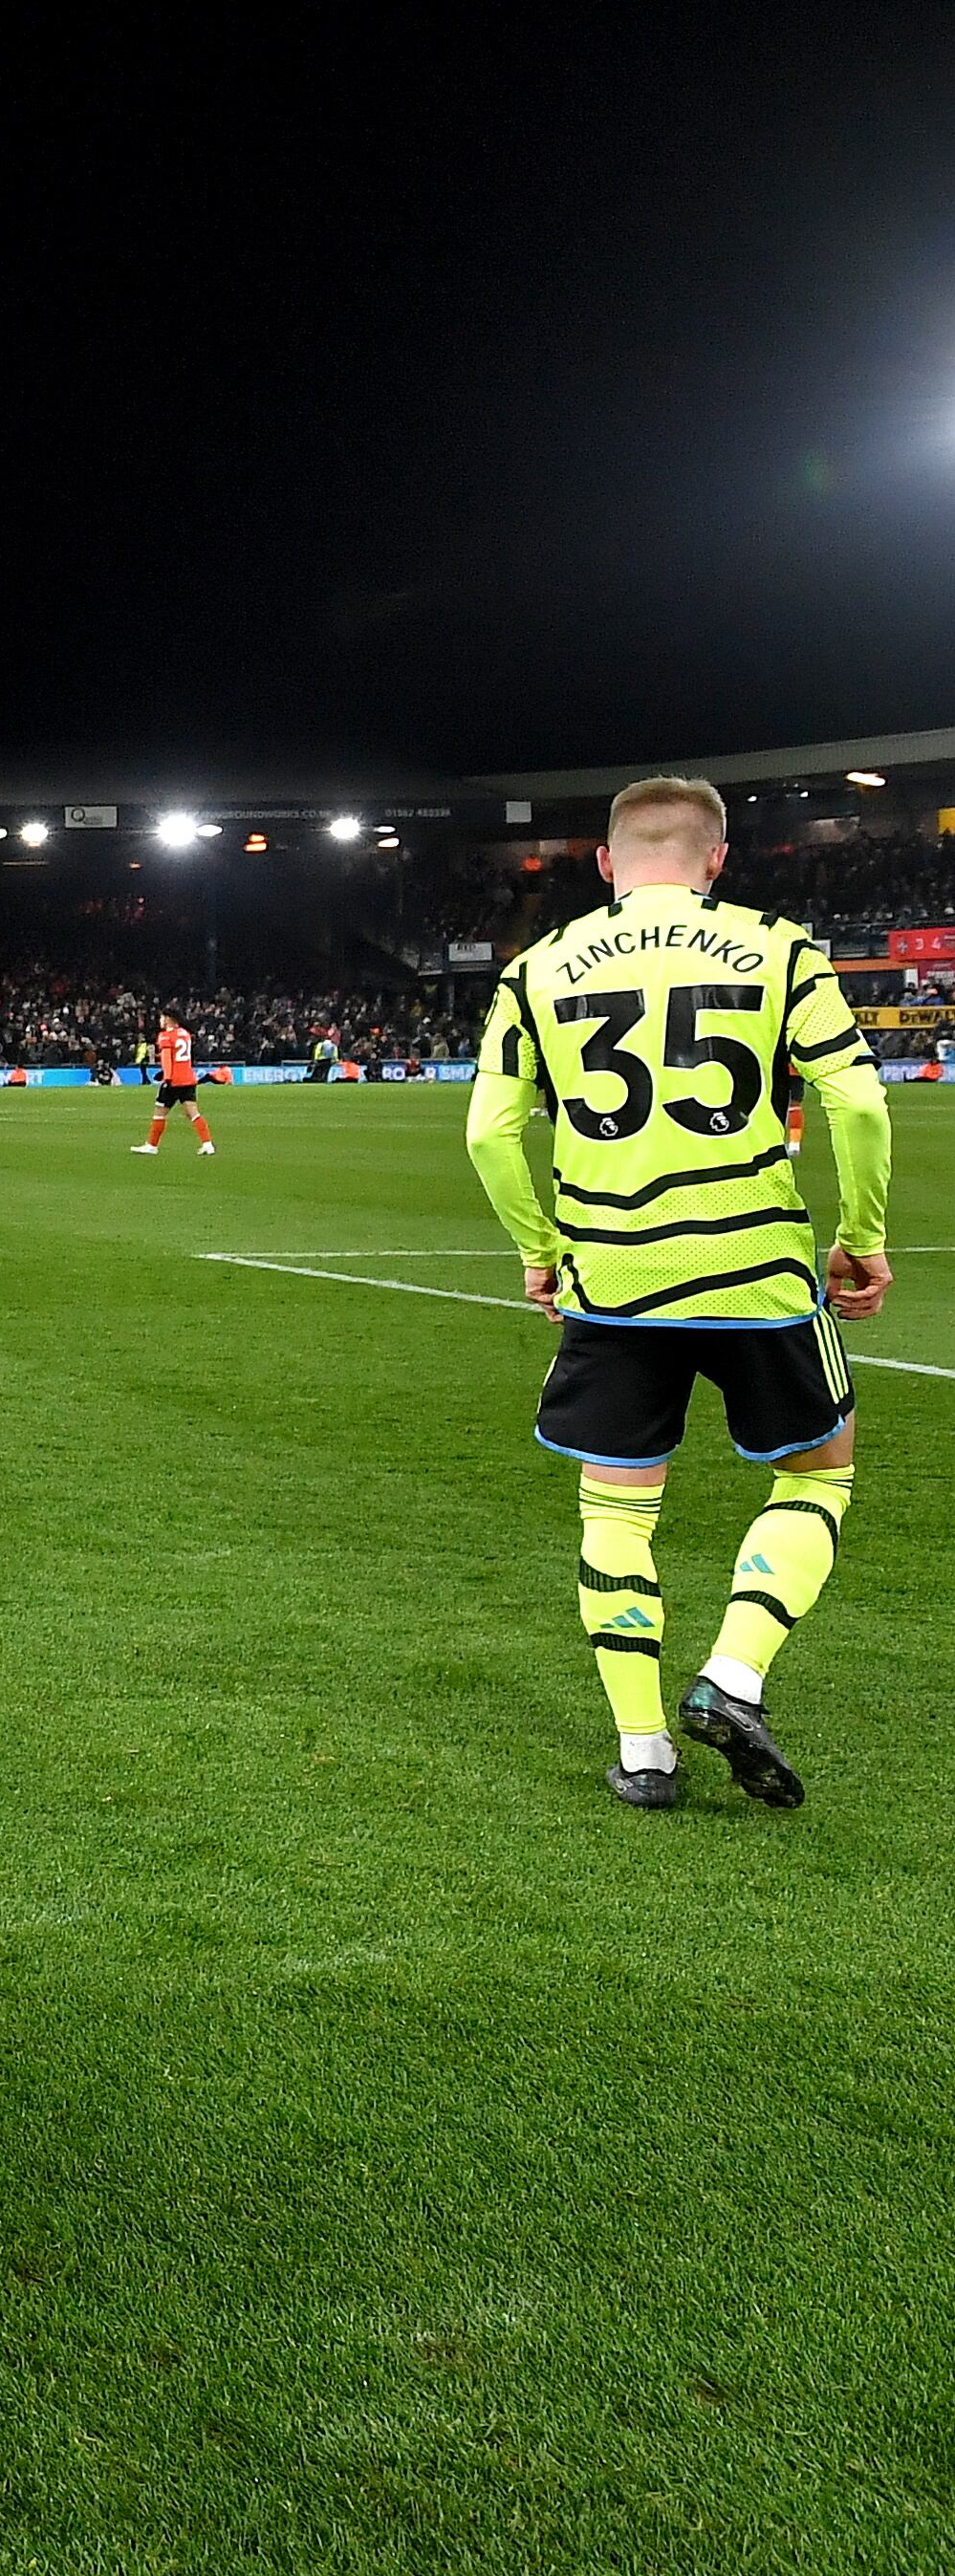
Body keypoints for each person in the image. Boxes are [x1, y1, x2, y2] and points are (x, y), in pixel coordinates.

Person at [464, 775, 890, 1809]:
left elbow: (486, 1131)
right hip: (759, 1272)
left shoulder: (536, 965)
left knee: (615, 1515)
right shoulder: (782, 946)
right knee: (817, 1480)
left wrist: (542, 1247)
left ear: (604, 863)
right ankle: (733, 1676)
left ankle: (644, 1752)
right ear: (717, 858)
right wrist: (860, 1237)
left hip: (611, 1279)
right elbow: (857, 1101)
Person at [138, 1011, 210, 1153]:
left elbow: (167, 1059)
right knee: (193, 1113)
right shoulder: (185, 1033)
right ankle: (208, 1144)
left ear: (168, 1019)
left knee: (159, 1112)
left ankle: (151, 1146)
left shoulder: (165, 1036)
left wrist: (167, 1077)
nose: (160, 1020)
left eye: (161, 1017)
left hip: (174, 1080)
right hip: (188, 1078)